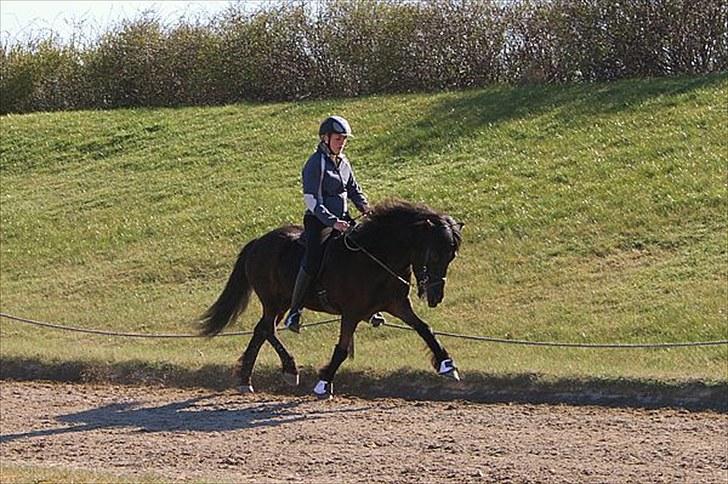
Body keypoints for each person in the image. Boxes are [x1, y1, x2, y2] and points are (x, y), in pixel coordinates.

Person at [285, 115, 385, 332]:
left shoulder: (344, 162)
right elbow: (312, 201)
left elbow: (353, 189)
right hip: (318, 221)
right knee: (313, 258)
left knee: (365, 249)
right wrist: (332, 222)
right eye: (338, 138)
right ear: (325, 139)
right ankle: (294, 311)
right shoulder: (314, 164)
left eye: (344, 139)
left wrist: (365, 208)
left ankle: (368, 306)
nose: (342, 143)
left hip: (344, 219)